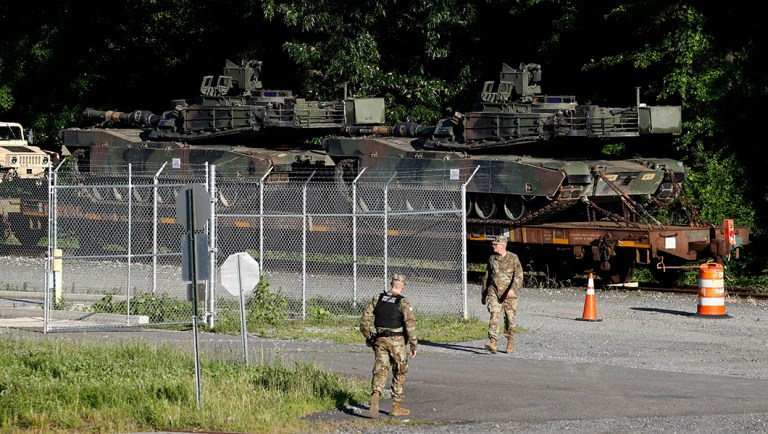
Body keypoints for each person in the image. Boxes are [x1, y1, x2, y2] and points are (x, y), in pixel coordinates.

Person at [359, 273, 418, 419]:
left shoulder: (378, 298)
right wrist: (413, 346)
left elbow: (364, 320)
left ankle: (375, 394)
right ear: (403, 286)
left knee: (380, 370)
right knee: (400, 371)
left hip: (380, 339)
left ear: (391, 283)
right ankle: (396, 407)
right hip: (397, 341)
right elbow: (410, 325)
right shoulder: (403, 302)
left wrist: (369, 337)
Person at [481, 236, 524, 354]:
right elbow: (487, 277)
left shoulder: (513, 258)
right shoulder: (492, 258)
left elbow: (519, 276)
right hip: (494, 291)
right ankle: (493, 342)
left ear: (503, 245)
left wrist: (513, 289)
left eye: (496, 244)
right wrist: (484, 294)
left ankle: (510, 342)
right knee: (494, 315)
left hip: (509, 294)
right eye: (493, 244)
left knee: (509, 319)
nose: (493, 246)